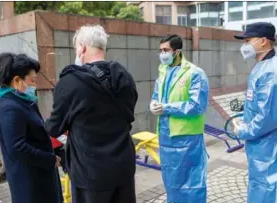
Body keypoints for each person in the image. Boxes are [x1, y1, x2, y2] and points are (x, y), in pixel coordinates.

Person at [44, 24, 138, 203]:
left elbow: (54, 127)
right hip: (123, 167)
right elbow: (128, 114)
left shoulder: (70, 81)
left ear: (82, 47)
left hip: (90, 173)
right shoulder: (125, 76)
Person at [233, 22, 277, 203]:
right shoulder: (262, 67)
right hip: (262, 147)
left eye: (248, 40)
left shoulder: (273, 72)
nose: (244, 46)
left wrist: (243, 130)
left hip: (272, 149)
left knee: (270, 194)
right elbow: (259, 107)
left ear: (263, 41)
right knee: (260, 192)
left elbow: (268, 118)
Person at [0, 53, 63, 203]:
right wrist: (49, 159)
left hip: (40, 176)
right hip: (30, 182)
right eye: (32, 80)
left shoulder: (21, 100)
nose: (35, 86)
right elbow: (17, 147)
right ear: (17, 80)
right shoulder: (9, 107)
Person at [150, 34, 209, 202]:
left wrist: (166, 108)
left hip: (187, 139)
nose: (162, 54)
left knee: (191, 183)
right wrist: (153, 105)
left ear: (177, 51)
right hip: (166, 137)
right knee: (171, 182)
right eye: (160, 50)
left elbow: (197, 105)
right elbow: (156, 96)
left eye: (166, 50)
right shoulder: (163, 71)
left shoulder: (195, 73)